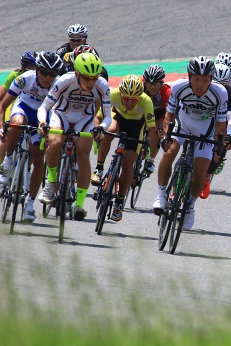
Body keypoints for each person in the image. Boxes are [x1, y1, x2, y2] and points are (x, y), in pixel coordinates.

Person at [152, 57, 227, 230]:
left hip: (205, 128)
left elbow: (221, 124)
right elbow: (169, 115)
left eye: (206, 80)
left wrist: (218, 145)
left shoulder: (220, 92)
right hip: (183, 123)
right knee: (169, 152)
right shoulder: (179, 87)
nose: (200, 84)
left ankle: (190, 206)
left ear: (211, 79)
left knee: (201, 172)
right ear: (189, 77)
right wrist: (166, 135)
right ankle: (161, 196)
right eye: (197, 79)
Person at [37, 52, 111, 220]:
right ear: (77, 74)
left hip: (84, 119)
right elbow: (44, 107)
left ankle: (79, 204)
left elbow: (107, 116)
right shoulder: (64, 81)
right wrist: (42, 123)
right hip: (62, 114)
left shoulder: (103, 85)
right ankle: (51, 181)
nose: (91, 82)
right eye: (87, 78)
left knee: (83, 154)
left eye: (95, 77)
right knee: (55, 143)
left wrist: (101, 128)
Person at [0, 51, 64, 222]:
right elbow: (3, 105)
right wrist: (2, 127)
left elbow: (61, 113)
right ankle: (7, 160)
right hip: (24, 109)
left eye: (52, 74)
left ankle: (29, 204)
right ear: (36, 70)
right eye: (44, 72)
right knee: (17, 123)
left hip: (43, 119)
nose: (48, 77)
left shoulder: (58, 85)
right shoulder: (25, 79)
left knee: (38, 157)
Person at [92, 75, 159, 221]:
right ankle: (99, 168)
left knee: (128, 164)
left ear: (139, 97)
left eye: (134, 99)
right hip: (118, 118)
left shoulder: (146, 101)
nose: (129, 102)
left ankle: (119, 202)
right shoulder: (114, 94)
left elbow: (152, 130)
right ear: (120, 94)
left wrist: (148, 148)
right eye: (126, 98)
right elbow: (99, 116)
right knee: (108, 132)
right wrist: (97, 130)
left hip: (136, 126)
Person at [200, 62, 231, 199]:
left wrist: (229, 136)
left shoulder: (230, 93)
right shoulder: (203, 88)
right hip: (202, 119)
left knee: (220, 151)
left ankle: (207, 178)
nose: (220, 86)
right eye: (216, 82)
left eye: (223, 83)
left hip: (219, 122)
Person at [142, 64, 171, 144]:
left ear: (162, 83)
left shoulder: (167, 91)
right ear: (145, 83)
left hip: (158, 115)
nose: (152, 87)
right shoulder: (140, 87)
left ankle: (151, 156)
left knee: (157, 134)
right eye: (149, 83)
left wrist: (165, 128)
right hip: (143, 112)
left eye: (156, 83)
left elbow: (168, 112)